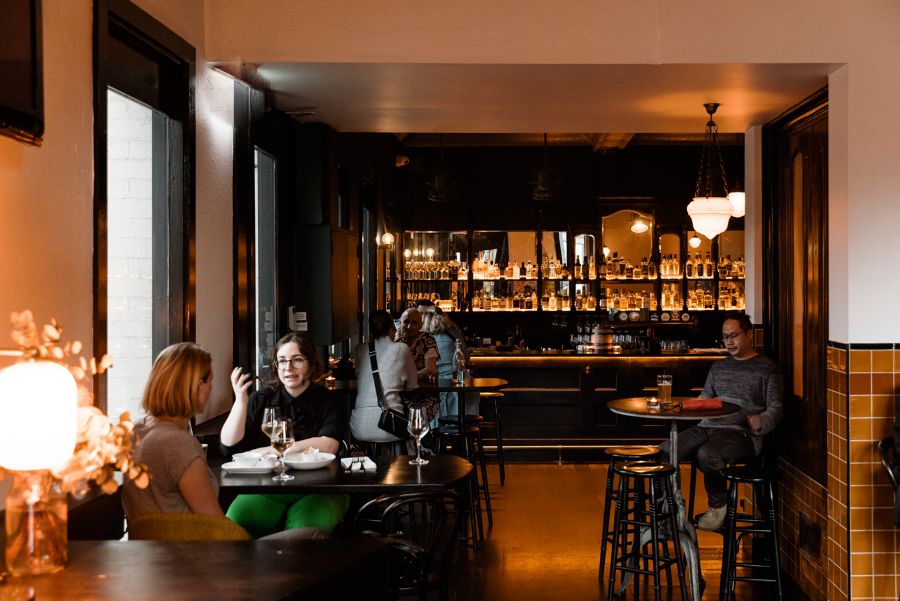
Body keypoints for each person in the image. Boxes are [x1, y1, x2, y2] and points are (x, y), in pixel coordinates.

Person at [660, 314, 783, 531]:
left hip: (741, 433)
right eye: (726, 337)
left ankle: (718, 508)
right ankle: (671, 507)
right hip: (707, 426)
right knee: (667, 449)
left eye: (734, 335)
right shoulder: (718, 367)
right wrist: (683, 407)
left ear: (749, 334)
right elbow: (705, 398)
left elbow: (776, 406)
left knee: (707, 454)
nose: (729, 342)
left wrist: (761, 421)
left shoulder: (767, 369)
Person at [220, 332, 348, 538]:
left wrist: (272, 450)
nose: (288, 368)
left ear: (311, 363)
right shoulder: (261, 399)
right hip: (266, 488)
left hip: (319, 488)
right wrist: (241, 400)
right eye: (282, 361)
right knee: (234, 527)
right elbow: (228, 445)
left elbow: (328, 444)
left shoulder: (330, 400)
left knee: (303, 535)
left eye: (297, 360)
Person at [122, 343, 221, 521]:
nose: (211, 388)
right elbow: (215, 522)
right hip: (188, 538)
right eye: (211, 381)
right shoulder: (178, 443)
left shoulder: (134, 432)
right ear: (199, 386)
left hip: (143, 539)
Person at [350, 310, 419, 446]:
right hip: (391, 424)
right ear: (392, 329)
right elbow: (412, 386)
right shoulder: (403, 349)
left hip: (359, 426)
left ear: (370, 331)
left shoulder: (360, 349)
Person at [422, 309, 475, 420]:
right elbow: (466, 357)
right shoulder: (453, 332)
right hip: (460, 385)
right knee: (460, 419)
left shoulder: (424, 339)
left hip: (436, 387)